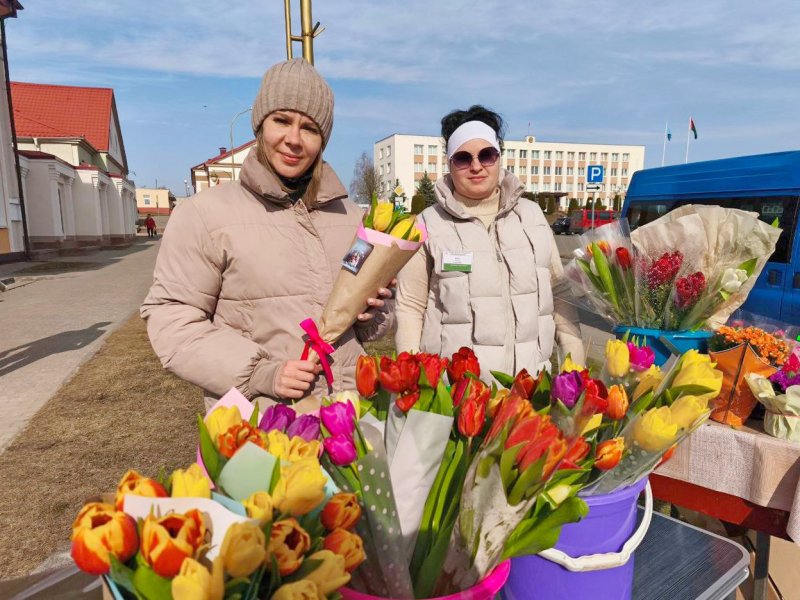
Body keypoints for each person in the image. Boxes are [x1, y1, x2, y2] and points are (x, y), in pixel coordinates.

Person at [141, 58, 394, 413]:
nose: (293, 139)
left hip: (348, 414)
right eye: (282, 121)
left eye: (309, 128)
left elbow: (371, 329)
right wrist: (261, 373)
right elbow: (172, 318)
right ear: (260, 125)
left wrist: (376, 312)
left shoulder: (351, 217)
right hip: (261, 420)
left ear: (323, 140)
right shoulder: (205, 213)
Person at [395, 105, 584, 379]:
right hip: (457, 393)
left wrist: (575, 363)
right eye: (463, 158)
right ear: (449, 163)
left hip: (528, 388)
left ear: (499, 156)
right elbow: (410, 306)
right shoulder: (427, 224)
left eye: (486, 155)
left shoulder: (532, 217)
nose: (476, 166)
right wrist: (410, 378)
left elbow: (559, 293)